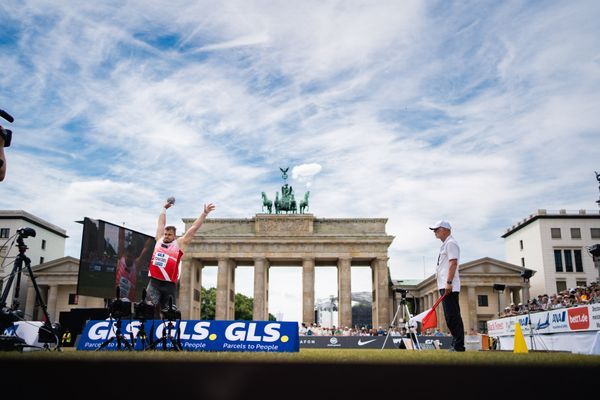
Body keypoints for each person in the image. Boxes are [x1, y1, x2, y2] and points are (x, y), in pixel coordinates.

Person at [145, 200, 215, 314]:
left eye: (169, 235)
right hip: (154, 282)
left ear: (174, 236)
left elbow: (193, 229)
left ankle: (169, 330)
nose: (166, 236)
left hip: (169, 284)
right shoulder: (159, 240)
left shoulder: (179, 244)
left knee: (169, 313)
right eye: (165, 234)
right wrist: (164, 209)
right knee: (146, 309)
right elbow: (161, 224)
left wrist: (204, 213)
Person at [430, 219, 465, 352]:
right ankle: (456, 343)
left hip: (449, 285)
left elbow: (453, 263)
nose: (435, 232)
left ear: (445, 230)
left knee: (453, 316)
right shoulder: (446, 244)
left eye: (437, 229)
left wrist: (449, 282)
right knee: (449, 316)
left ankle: (459, 346)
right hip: (444, 284)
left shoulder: (451, 243)